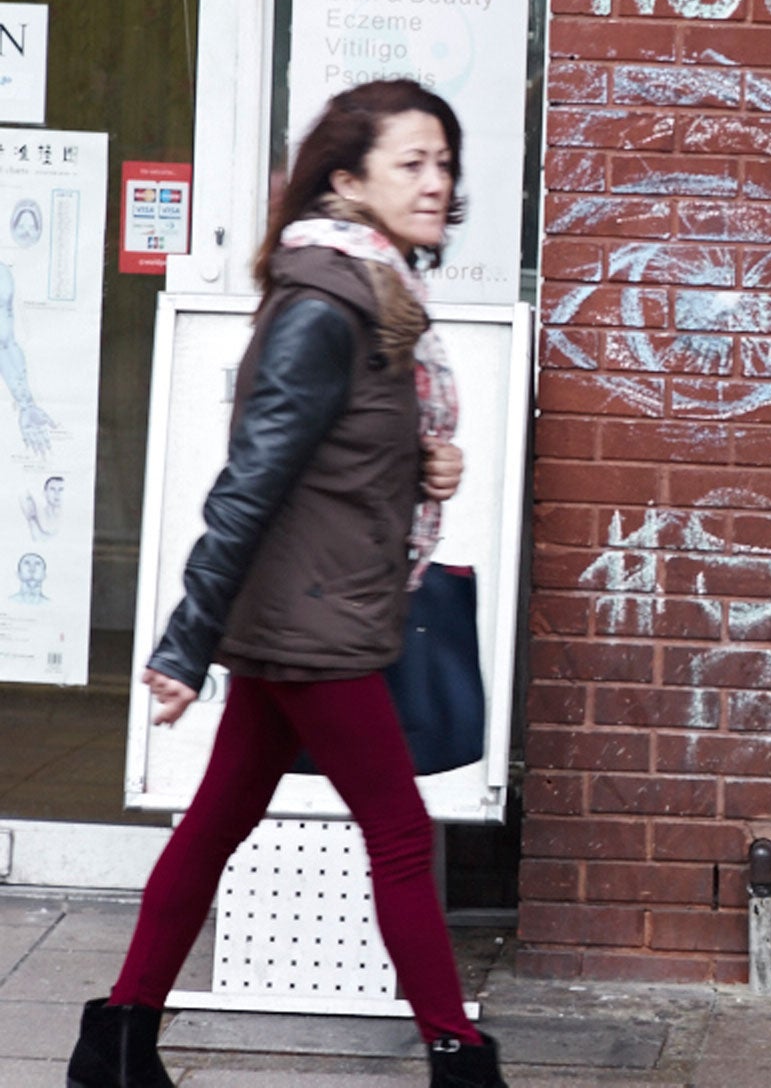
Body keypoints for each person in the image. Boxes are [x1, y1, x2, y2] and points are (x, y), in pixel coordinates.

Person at [65, 80, 506, 1088]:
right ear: (347, 180)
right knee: (398, 835)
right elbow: (251, 478)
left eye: (444, 162)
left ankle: (118, 1041)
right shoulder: (327, 304)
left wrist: (424, 464)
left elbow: (335, 456)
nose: (436, 181)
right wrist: (183, 640)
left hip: (314, 604)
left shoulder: (378, 296)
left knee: (219, 819)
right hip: (314, 620)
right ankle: (459, 1058)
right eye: (412, 163)